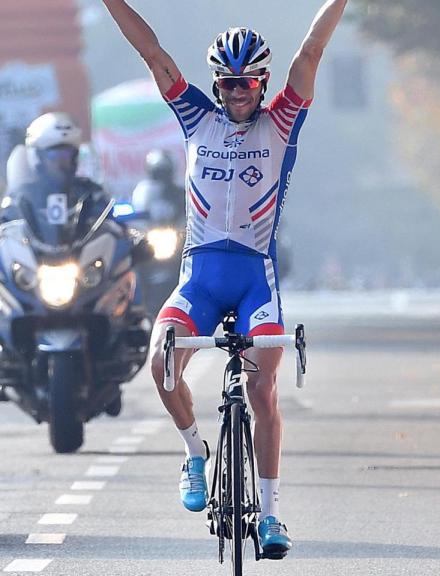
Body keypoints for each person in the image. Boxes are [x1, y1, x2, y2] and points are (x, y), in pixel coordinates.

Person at [101, 0, 349, 559]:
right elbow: (151, 50)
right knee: (162, 363)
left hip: (255, 278)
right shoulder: (196, 117)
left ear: (262, 83)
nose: (235, 93)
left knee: (262, 388)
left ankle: (271, 512)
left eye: (245, 84)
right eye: (226, 83)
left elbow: (311, 52)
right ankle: (194, 453)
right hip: (201, 276)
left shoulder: (282, 121)